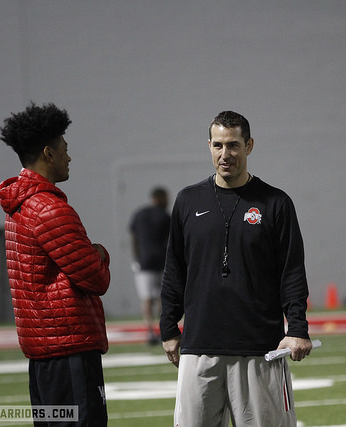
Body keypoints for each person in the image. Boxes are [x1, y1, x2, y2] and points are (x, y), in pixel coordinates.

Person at [160, 110, 313, 427]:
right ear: (209, 146)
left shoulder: (275, 203)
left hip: (259, 348)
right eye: (217, 145)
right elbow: (174, 269)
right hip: (199, 346)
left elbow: (292, 272)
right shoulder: (188, 201)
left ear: (249, 145)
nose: (224, 154)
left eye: (233, 145)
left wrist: (297, 327)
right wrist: (168, 327)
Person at [0, 102, 111, 426]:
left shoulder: (17, 206)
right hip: (68, 347)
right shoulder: (49, 208)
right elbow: (95, 277)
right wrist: (101, 253)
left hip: (43, 352)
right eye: (64, 149)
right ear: (48, 153)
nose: (69, 156)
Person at [129, 186, 170, 344]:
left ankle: (149, 331)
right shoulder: (164, 216)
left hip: (143, 262)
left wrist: (136, 258)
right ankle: (161, 330)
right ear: (160, 198)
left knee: (146, 298)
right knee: (161, 297)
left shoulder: (139, 214)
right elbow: (170, 240)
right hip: (161, 261)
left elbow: (134, 237)